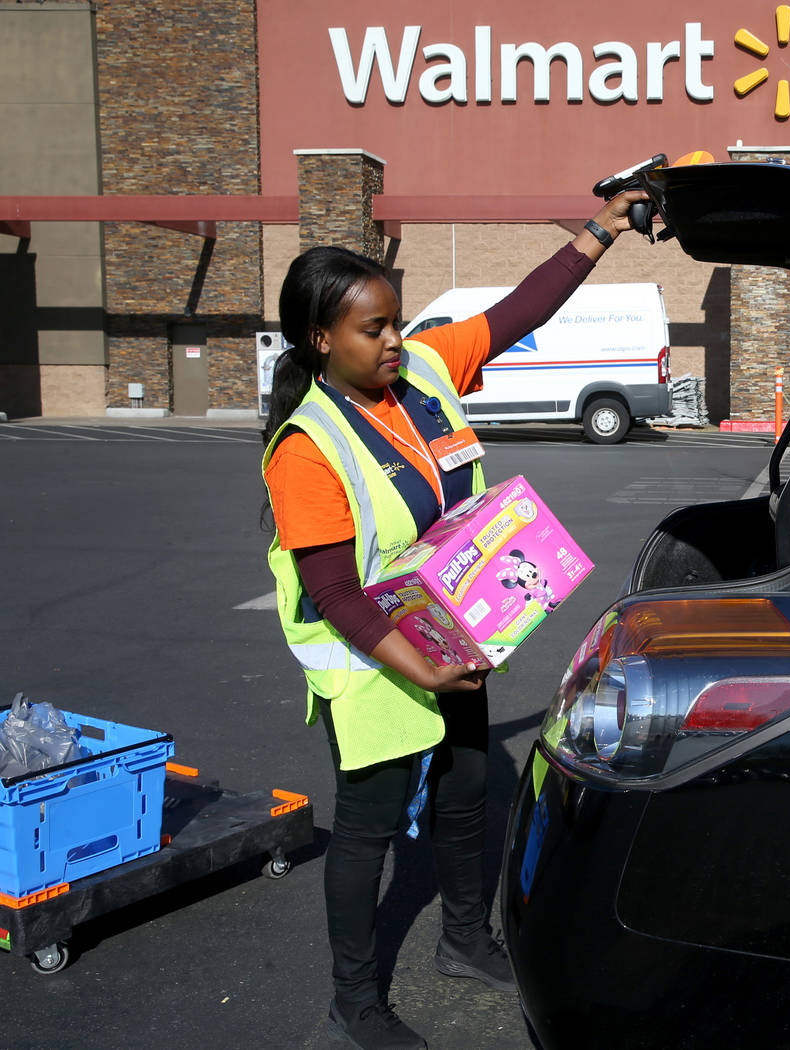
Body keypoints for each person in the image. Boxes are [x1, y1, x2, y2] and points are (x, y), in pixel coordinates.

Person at [261, 189, 648, 1050]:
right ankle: (353, 1000)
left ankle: (464, 941)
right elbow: (335, 594)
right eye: (374, 329)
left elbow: (519, 309)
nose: (395, 340)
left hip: (453, 642)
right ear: (323, 340)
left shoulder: (425, 372)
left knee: (468, 797)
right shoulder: (307, 446)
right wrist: (423, 670)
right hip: (376, 667)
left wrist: (602, 231)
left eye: (396, 321)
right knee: (366, 836)